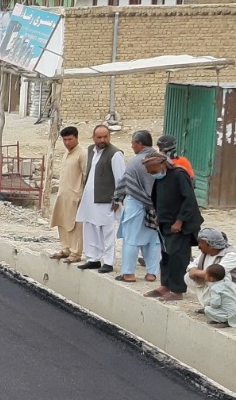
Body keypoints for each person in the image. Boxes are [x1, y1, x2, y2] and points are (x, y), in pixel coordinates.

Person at [146, 151, 204, 302]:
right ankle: (165, 285)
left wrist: (180, 221)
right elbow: (160, 198)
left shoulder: (179, 175)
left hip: (180, 225)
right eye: (150, 172)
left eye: (154, 171)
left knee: (178, 257)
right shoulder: (160, 178)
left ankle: (177, 290)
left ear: (163, 164)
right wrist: (159, 215)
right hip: (166, 222)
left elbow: (189, 200)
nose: (153, 174)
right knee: (166, 255)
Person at [112, 131, 162, 284]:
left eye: (133, 143)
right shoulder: (160, 160)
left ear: (140, 144)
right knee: (153, 241)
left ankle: (128, 273)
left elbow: (125, 182)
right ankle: (151, 273)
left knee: (131, 240)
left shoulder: (136, 161)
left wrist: (116, 198)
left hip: (136, 206)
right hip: (155, 207)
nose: (132, 146)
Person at [76, 124, 125, 273]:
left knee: (107, 231)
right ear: (94, 137)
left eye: (106, 136)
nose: (103, 140)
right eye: (99, 137)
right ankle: (93, 259)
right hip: (90, 198)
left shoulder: (115, 154)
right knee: (90, 228)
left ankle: (109, 262)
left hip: (106, 200)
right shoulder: (90, 150)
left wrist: (117, 200)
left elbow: (121, 179)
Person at [189, 227, 236, 315]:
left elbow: (215, 274)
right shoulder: (206, 253)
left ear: (210, 245)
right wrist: (194, 271)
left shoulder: (232, 255)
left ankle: (227, 315)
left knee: (216, 282)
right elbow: (191, 267)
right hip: (225, 288)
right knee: (189, 277)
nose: (199, 246)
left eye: (201, 243)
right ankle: (211, 307)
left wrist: (195, 272)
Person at [49, 126, 86, 263]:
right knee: (62, 222)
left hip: (75, 196)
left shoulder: (82, 153)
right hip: (63, 195)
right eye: (64, 140)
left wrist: (83, 196)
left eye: (70, 139)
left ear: (76, 138)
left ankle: (76, 253)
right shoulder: (66, 153)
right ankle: (66, 249)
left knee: (74, 225)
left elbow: (86, 175)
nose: (67, 143)